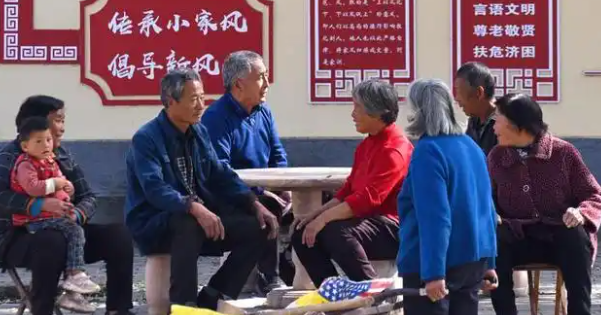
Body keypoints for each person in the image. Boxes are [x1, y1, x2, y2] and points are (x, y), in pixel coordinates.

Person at [125, 69, 279, 309]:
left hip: (199, 217)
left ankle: (214, 296)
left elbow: (220, 174)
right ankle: (184, 305)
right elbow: (155, 189)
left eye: (202, 97)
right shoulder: (147, 138)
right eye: (193, 99)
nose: (201, 105)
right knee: (188, 222)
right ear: (171, 101)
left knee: (259, 226)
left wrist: (253, 202)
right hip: (154, 222)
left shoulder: (198, 131)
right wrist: (193, 207)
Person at [0, 96, 135, 315]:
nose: (62, 128)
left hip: (68, 231)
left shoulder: (61, 155)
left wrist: (75, 214)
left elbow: (88, 197)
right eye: (57, 120)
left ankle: (118, 310)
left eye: (63, 121)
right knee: (51, 240)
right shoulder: (13, 155)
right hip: (18, 237)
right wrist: (40, 204)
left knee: (118, 236)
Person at [487, 94, 601, 315]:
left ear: (517, 125)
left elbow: (594, 194)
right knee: (494, 241)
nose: (493, 127)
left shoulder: (563, 153)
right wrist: (491, 215)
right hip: (518, 239)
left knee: (576, 235)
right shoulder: (496, 157)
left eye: (498, 120)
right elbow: (487, 199)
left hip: (557, 238)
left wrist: (581, 213)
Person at [293, 79, 413, 286]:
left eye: (358, 107)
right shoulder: (367, 143)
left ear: (376, 112)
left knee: (335, 231)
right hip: (367, 220)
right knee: (300, 231)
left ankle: (372, 292)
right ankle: (332, 292)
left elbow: (367, 200)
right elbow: (348, 189)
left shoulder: (394, 149)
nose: (352, 114)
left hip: (393, 227)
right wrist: (315, 215)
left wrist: (323, 220)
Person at [398, 79, 499, 315]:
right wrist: (490, 263)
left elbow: (435, 218)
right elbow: (487, 208)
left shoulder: (428, 151)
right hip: (473, 259)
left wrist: (433, 273)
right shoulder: (471, 146)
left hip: (436, 264)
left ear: (418, 111)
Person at [201, 50, 291, 293]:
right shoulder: (216, 117)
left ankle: (292, 271)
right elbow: (220, 170)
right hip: (230, 196)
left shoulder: (264, 111)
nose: (267, 84)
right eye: (261, 77)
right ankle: (269, 277)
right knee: (268, 209)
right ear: (239, 85)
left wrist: (284, 187)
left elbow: (277, 154)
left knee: (312, 207)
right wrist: (258, 194)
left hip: (264, 189)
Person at [11, 116, 101, 297]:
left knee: (74, 231)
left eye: (48, 140)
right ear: (25, 146)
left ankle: (73, 296)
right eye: (39, 141)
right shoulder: (25, 164)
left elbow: (62, 181)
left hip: (54, 215)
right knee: (74, 231)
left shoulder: (50, 160)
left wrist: (68, 189)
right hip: (35, 219)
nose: (46, 145)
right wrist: (56, 183)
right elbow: (34, 188)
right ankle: (74, 274)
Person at [453, 62, 499, 155]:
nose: (457, 98)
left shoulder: (506, 123)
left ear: (479, 93)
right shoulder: (473, 122)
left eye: (458, 91)